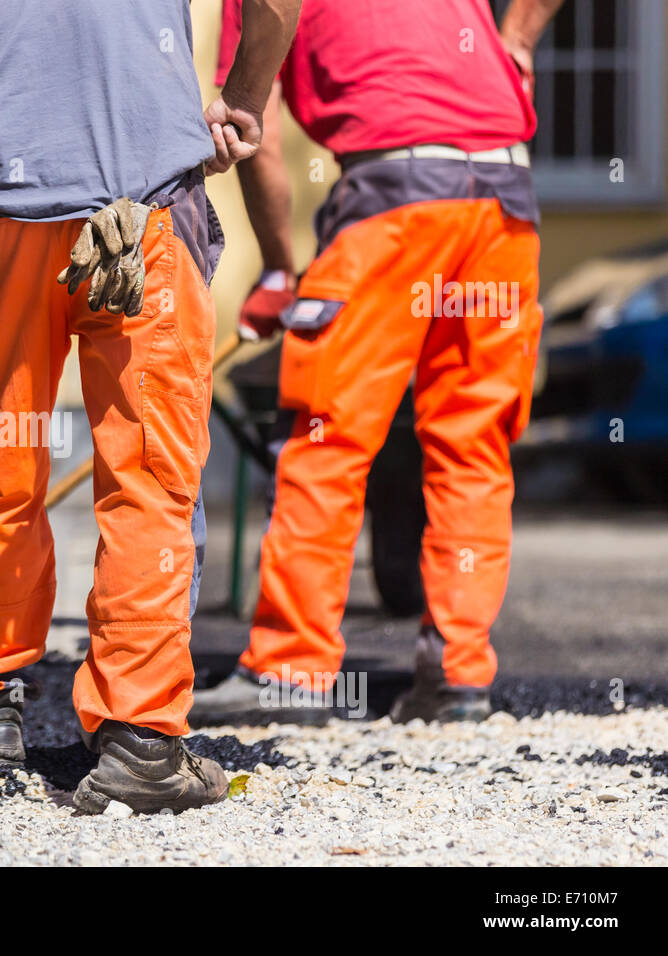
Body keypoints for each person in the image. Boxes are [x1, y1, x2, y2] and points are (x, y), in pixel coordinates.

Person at [0, 0, 301, 812]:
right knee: (148, 479)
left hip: (2, 222)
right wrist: (244, 98)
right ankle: (140, 742)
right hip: (144, 220)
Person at [193, 0, 566, 725]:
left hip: (396, 198)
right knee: (474, 443)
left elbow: (252, 129)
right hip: (506, 196)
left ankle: (289, 672)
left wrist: (277, 268)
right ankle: (458, 674)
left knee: (327, 436)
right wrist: (516, 38)